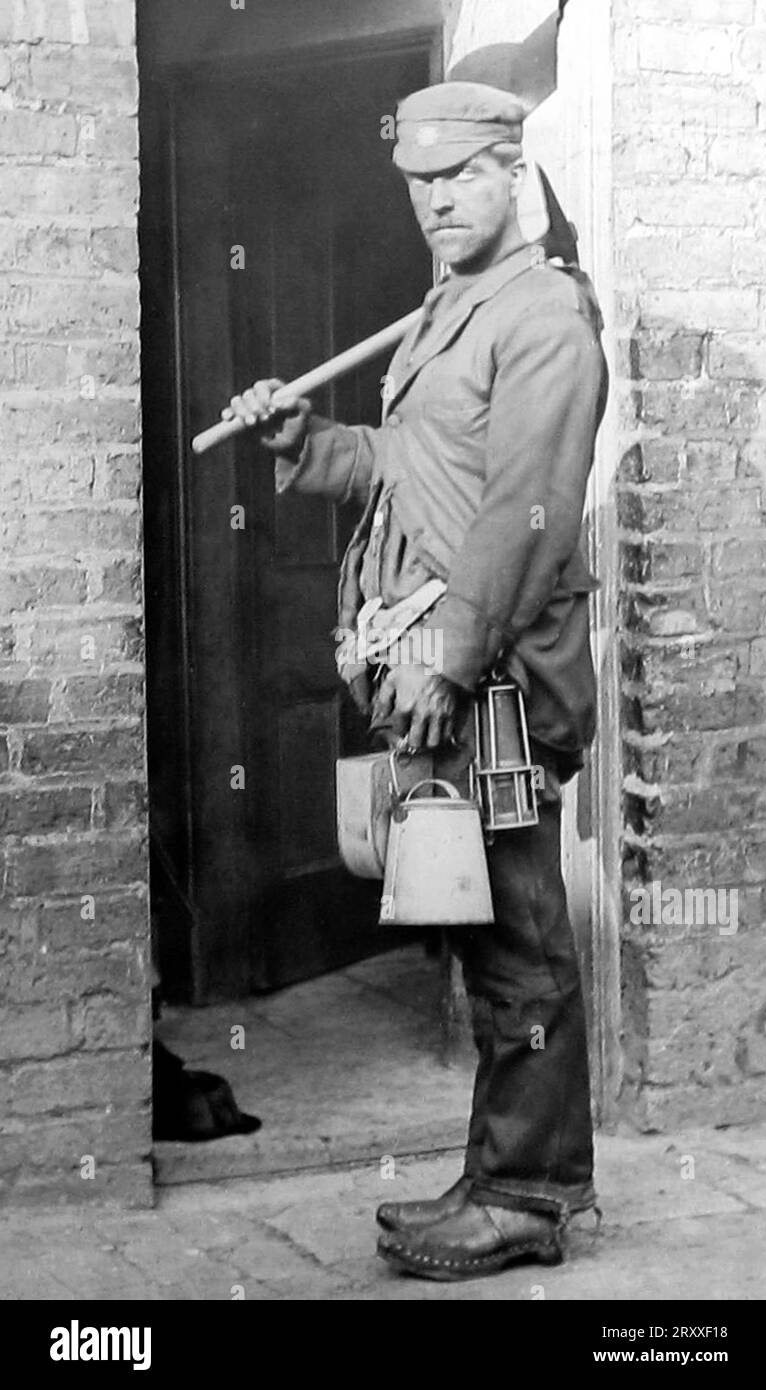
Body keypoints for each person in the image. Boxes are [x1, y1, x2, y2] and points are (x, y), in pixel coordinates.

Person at [221, 81, 608, 1281]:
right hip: (450, 668)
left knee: (521, 937)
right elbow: (411, 466)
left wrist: (450, 656)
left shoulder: (540, 315)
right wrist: (305, 440)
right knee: (484, 929)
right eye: (420, 187)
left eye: (460, 180)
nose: (438, 204)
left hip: (491, 678)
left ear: (509, 172)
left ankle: (532, 1191)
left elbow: (523, 514)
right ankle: (501, 1170)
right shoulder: (454, 306)